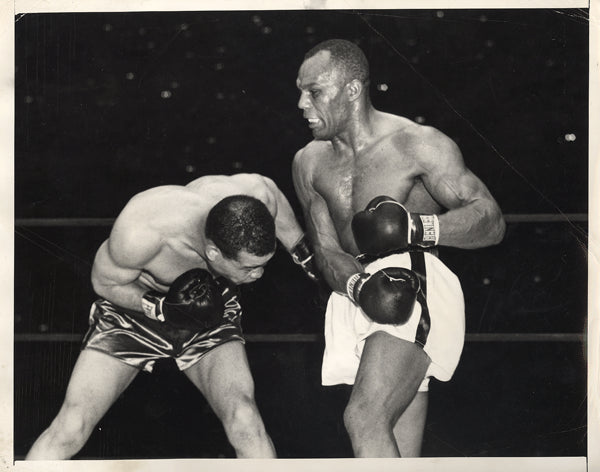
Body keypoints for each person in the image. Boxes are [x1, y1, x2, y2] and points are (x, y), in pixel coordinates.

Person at [292, 39, 506, 458]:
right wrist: (357, 287)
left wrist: (415, 227)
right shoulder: (308, 162)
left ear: (352, 90)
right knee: (392, 440)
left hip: (413, 278)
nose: (301, 103)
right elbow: (325, 249)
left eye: (314, 91)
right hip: (355, 291)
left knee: (364, 417)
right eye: (300, 90)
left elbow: (491, 221)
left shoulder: (417, 144)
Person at [25, 173, 315, 460]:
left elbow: (271, 190)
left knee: (245, 422)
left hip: (208, 313)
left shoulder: (252, 195)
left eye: (263, 264)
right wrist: (162, 308)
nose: (259, 275)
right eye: (249, 268)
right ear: (213, 252)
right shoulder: (142, 231)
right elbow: (104, 283)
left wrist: (306, 256)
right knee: (71, 427)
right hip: (134, 312)